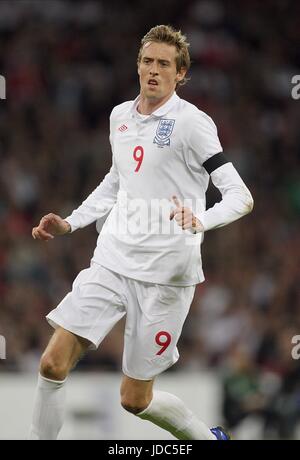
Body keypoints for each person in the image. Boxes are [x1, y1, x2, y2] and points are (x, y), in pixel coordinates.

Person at [29, 25, 253, 440]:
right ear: (137, 66)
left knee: (135, 400)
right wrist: (71, 222)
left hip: (166, 276)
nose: (153, 70)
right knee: (51, 364)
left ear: (180, 73)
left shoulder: (193, 124)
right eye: (147, 61)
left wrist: (202, 220)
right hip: (113, 259)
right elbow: (117, 180)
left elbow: (240, 196)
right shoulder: (120, 116)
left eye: (164, 64)